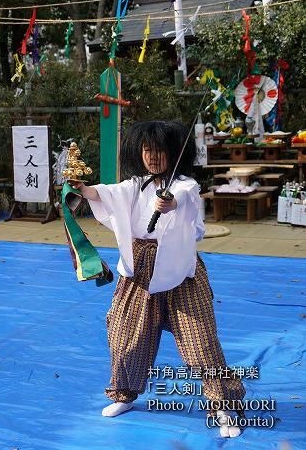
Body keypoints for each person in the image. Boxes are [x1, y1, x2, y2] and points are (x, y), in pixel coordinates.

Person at [70, 121, 245, 438]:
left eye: (160, 150)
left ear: (174, 153)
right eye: (147, 149)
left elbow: (185, 201)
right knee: (123, 336)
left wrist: (170, 203)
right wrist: (81, 189)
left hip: (180, 273)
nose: (152, 156)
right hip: (138, 271)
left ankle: (222, 404)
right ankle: (123, 393)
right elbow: (108, 194)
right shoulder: (134, 184)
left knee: (201, 344)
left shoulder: (186, 185)